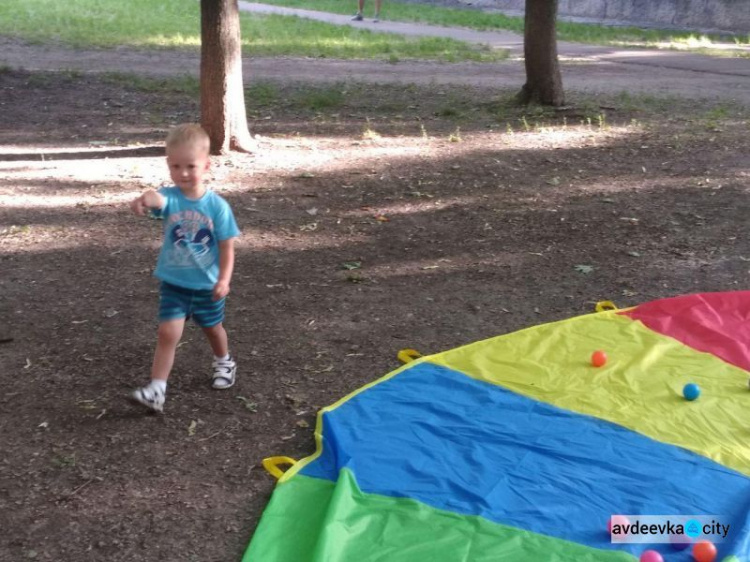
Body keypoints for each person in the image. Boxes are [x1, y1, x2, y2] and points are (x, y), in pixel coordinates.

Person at [128, 124, 241, 412]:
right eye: (176, 166)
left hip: (207, 285)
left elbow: (227, 246)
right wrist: (145, 197)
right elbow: (158, 199)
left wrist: (224, 280)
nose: (184, 173)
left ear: (206, 165)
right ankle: (157, 388)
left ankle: (224, 361)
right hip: (175, 284)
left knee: (213, 329)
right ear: (169, 165)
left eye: (191, 166)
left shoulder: (217, 207)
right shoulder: (172, 198)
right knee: (168, 333)